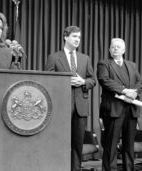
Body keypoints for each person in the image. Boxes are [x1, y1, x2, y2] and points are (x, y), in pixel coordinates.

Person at [45, 25, 96, 171]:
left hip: (81, 106)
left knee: (77, 143)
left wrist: (83, 82)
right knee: (59, 141)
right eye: (74, 36)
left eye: (79, 37)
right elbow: (48, 80)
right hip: (61, 106)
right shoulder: (54, 57)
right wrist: (64, 82)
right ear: (65, 37)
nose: (77, 40)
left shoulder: (85, 58)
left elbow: (92, 80)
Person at [97, 38, 142, 171]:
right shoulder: (104, 63)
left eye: (118, 47)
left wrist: (134, 93)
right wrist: (125, 91)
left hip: (131, 109)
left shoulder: (132, 65)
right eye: (113, 47)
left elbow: (140, 82)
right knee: (111, 145)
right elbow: (105, 80)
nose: (115, 48)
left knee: (129, 145)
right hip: (113, 109)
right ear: (109, 50)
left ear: (124, 50)